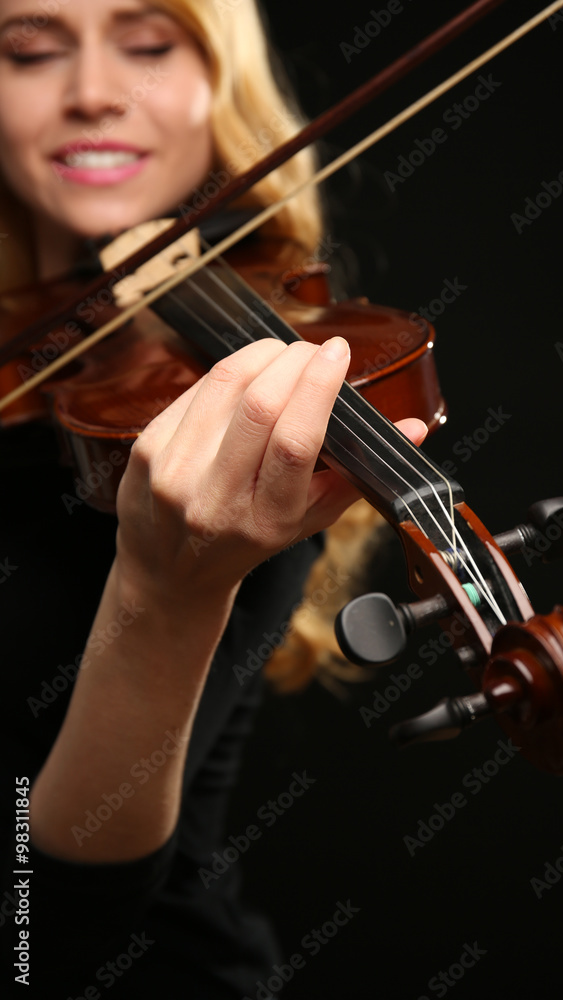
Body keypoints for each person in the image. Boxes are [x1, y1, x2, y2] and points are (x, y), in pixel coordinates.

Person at [0, 0, 426, 995]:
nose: (95, 92)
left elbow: (42, 943)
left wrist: (168, 590)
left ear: (217, 95)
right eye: (26, 53)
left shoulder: (231, 431)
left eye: (150, 46)